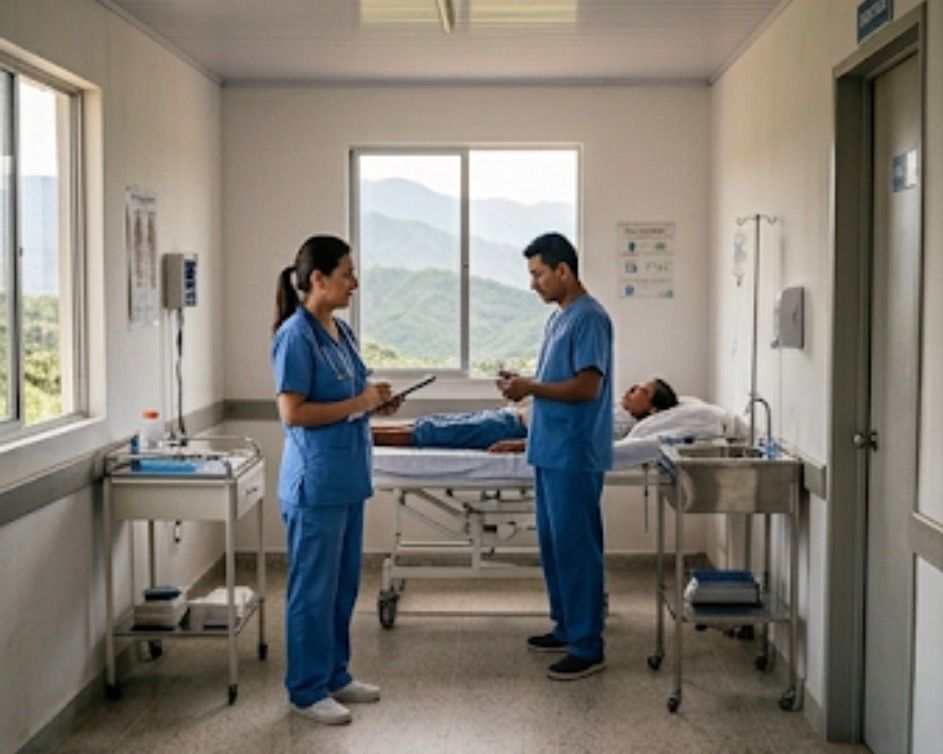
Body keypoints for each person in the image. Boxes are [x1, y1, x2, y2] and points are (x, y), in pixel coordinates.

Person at [271, 235, 402, 725]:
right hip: (316, 484)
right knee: (312, 589)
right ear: (318, 279)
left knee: (344, 586)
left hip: (348, 479)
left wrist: (378, 401)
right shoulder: (295, 336)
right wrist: (360, 404)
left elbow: (355, 394)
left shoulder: (341, 332)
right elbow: (293, 412)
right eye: (347, 273)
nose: (355, 282)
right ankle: (305, 689)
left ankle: (335, 674)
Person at [498, 232, 613, 680]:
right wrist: (525, 383)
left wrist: (530, 387)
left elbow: (588, 386)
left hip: (575, 453)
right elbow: (555, 383)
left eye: (538, 274)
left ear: (563, 270)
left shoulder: (590, 318)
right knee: (555, 547)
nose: (533, 284)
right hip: (549, 451)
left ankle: (588, 645)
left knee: (577, 550)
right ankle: (567, 627)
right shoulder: (560, 318)